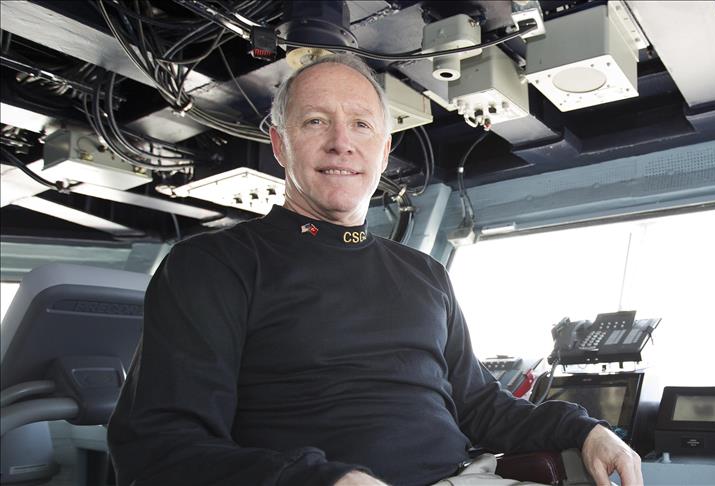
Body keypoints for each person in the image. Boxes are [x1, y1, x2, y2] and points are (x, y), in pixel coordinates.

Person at [107, 53, 643, 486]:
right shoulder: (212, 266)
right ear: (280, 144)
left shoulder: (425, 275)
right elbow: (158, 448)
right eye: (316, 121)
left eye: (361, 125)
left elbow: (481, 406)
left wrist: (585, 430)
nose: (341, 142)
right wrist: (321, 480)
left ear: (383, 152)